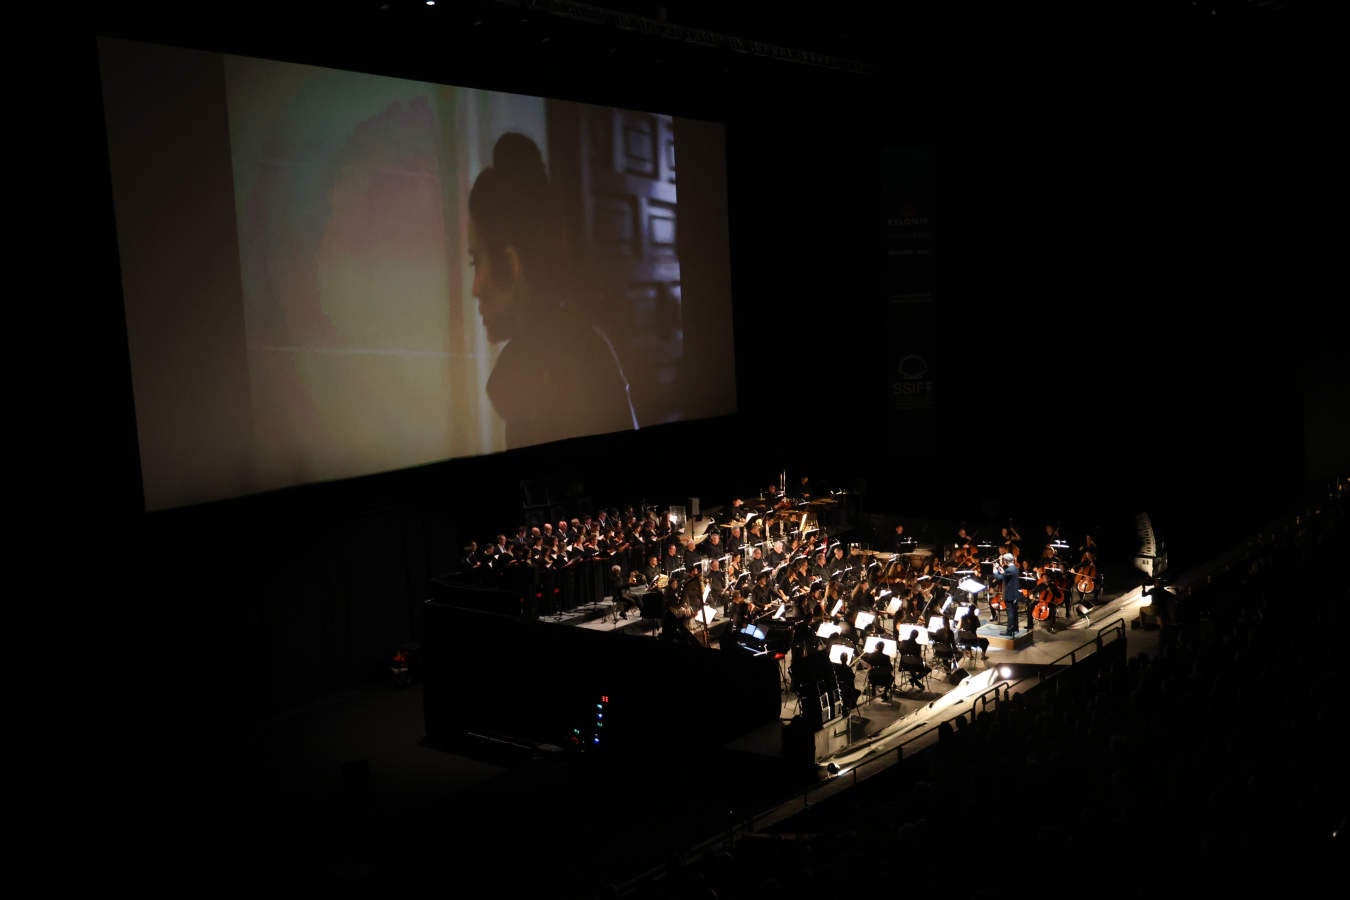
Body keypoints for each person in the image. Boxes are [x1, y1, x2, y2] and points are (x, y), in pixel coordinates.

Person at [467, 131, 639, 449]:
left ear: (511, 262)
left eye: (476, 262)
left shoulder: (561, 371)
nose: (475, 289)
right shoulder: (569, 349)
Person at [991, 551, 1021, 636]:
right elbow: (1005, 574)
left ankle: (1009, 631)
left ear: (1007, 561)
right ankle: (1015, 628)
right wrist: (999, 567)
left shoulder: (1009, 570)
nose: (1003, 561)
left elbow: (1000, 577)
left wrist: (995, 571)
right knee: (1014, 611)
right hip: (1014, 593)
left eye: (1004, 560)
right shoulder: (1014, 568)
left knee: (1010, 613)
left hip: (1009, 594)